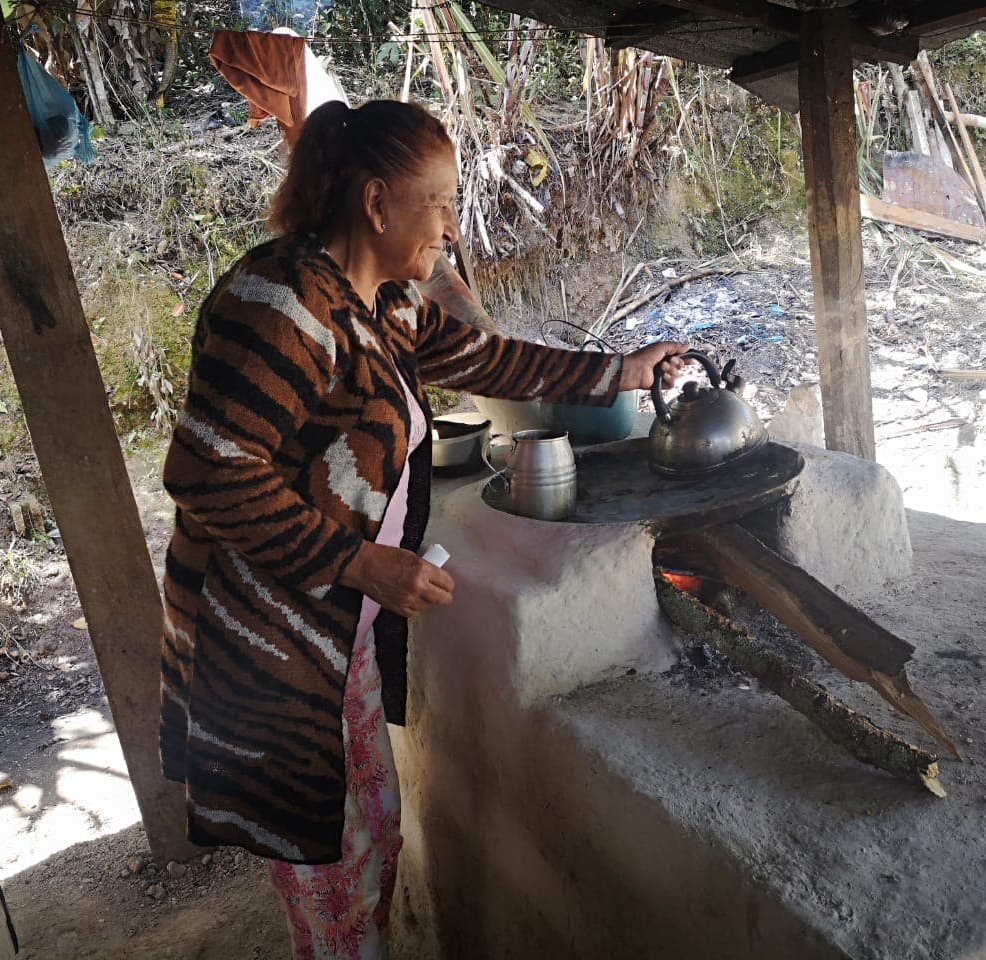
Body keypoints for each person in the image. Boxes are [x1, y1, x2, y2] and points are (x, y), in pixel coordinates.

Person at [158, 99, 685, 959]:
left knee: (370, 842)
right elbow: (207, 474)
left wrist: (619, 372)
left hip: (337, 638)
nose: (450, 223)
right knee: (328, 878)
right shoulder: (280, 305)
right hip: (270, 649)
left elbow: (487, 358)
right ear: (376, 203)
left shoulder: (379, 300)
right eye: (438, 201)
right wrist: (363, 565)